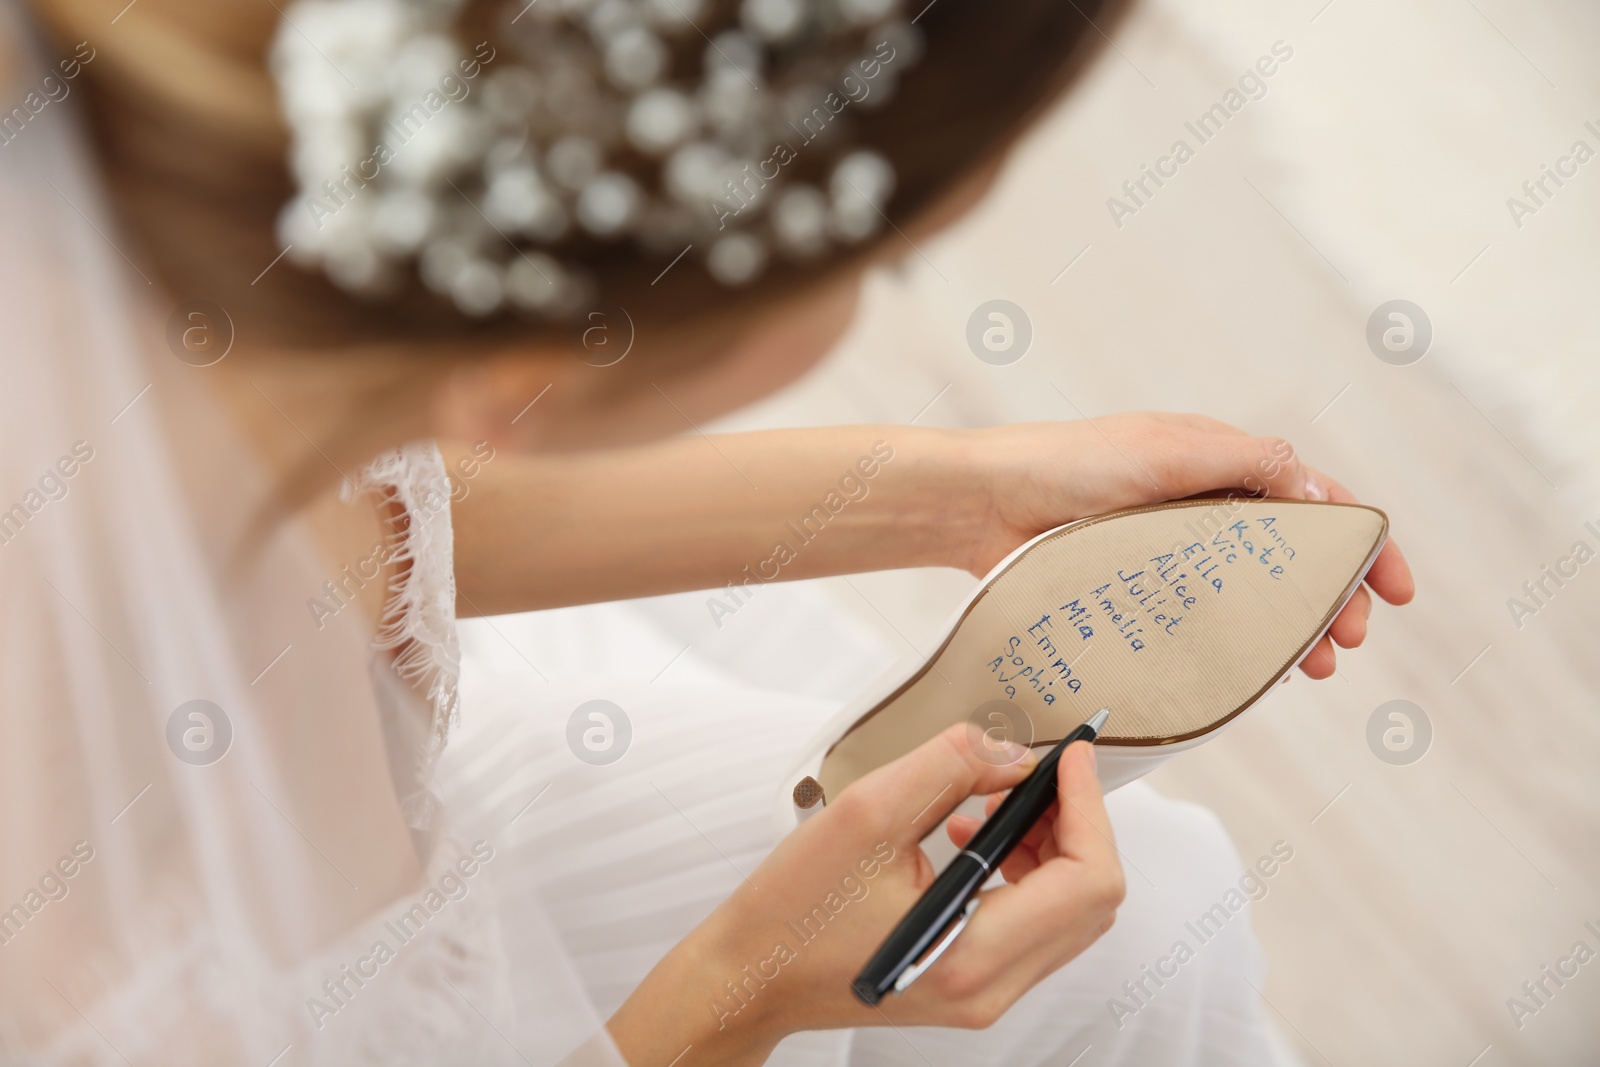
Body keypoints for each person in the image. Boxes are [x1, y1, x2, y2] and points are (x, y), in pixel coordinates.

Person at [0, 0, 1411, 1061]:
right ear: (525, 367)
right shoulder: (72, 932)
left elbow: (376, 519)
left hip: (392, 850)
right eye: (887, 261)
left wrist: (965, 491)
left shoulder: (166, 242)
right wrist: (749, 987)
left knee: (1149, 923)